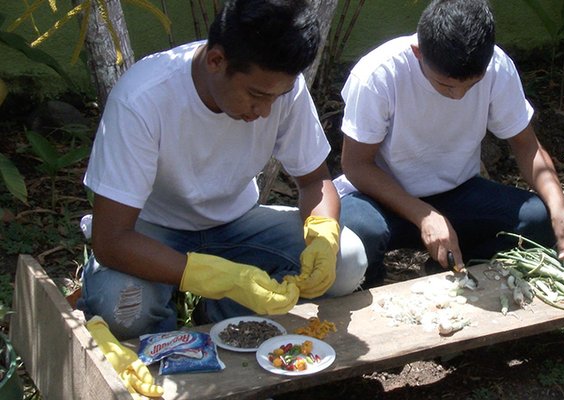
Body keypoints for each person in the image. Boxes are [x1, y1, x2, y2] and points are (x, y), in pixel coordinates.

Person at [78, 0, 367, 347]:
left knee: (347, 260)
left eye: (278, 96)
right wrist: (211, 275)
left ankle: (224, 315)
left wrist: (323, 235)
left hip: (237, 223)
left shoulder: (278, 87)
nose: (264, 111)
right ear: (216, 61)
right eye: (256, 95)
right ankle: (177, 342)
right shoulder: (142, 98)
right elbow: (112, 241)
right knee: (124, 307)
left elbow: (314, 181)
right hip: (152, 232)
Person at [335, 0, 564, 288]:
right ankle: (374, 287)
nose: (458, 97)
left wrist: (560, 207)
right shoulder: (378, 75)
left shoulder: (497, 66)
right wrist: (424, 214)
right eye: (445, 86)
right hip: (380, 199)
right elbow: (356, 166)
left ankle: (452, 269)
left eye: (471, 85)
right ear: (418, 53)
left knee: (539, 220)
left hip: (457, 192)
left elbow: (526, 145)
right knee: (354, 238)